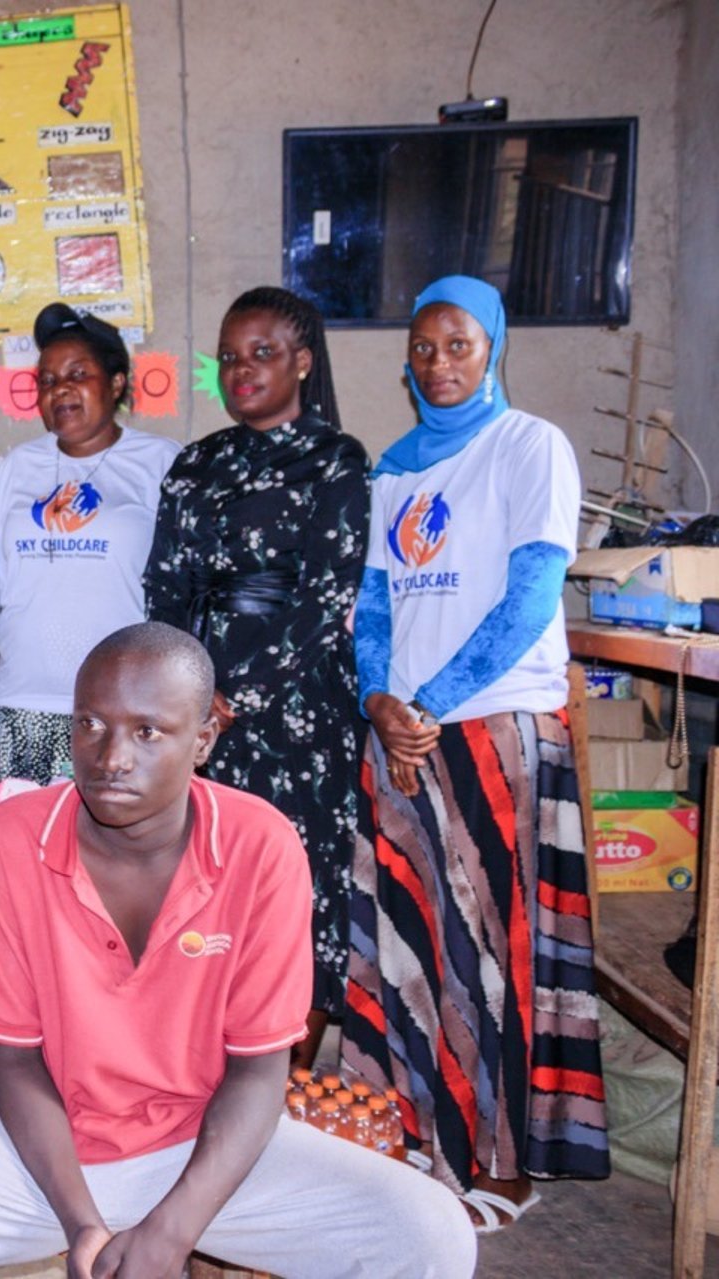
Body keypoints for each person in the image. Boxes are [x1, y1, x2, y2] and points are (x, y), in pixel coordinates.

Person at [0, 622, 474, 1279]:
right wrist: (82, 1226)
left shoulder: (259, 845)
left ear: (203, 739)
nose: (111, 756)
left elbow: (258, 1074)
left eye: (148, 731)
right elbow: (16, 1061)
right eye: (91, 723)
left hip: (215, 1158)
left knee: (429, 1231)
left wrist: (170, 1232)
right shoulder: (12, 840)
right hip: (47, 1157)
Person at [344, 275, 607, 1228]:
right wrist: (379, 700)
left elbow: (533, 596)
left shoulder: (529, 446)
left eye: (458, 344)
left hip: (493, 730)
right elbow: (375, 605)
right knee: (411, 940)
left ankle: (501, 1162)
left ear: (492, 347)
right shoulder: (394, 470)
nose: (439, 363)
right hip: (405, 738)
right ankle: (416, 1132)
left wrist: (427, 703)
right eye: (423, 348)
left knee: (494, 948)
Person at [142, 286, 367, 1068]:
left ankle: (288, 1077)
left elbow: (326, 597)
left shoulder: (337, 459)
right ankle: (202, 1062)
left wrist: (235, 695)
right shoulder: (196, 463)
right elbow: (164, 587)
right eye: (230, 358)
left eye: (262, 353)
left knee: (300, 886)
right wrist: (185, 691)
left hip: (301, 709)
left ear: (302, 361)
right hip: (196, 716)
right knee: (203, 884)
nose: (242, 370)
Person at [0, 304, 180, 788]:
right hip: (24, 701)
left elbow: (184, 593)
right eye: (46, 380)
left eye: (77, 374)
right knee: (32, 833)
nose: (59, 389)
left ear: (116, 383)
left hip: (123, 705)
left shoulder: (160, 461)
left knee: (115, 832)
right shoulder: (19, 466)